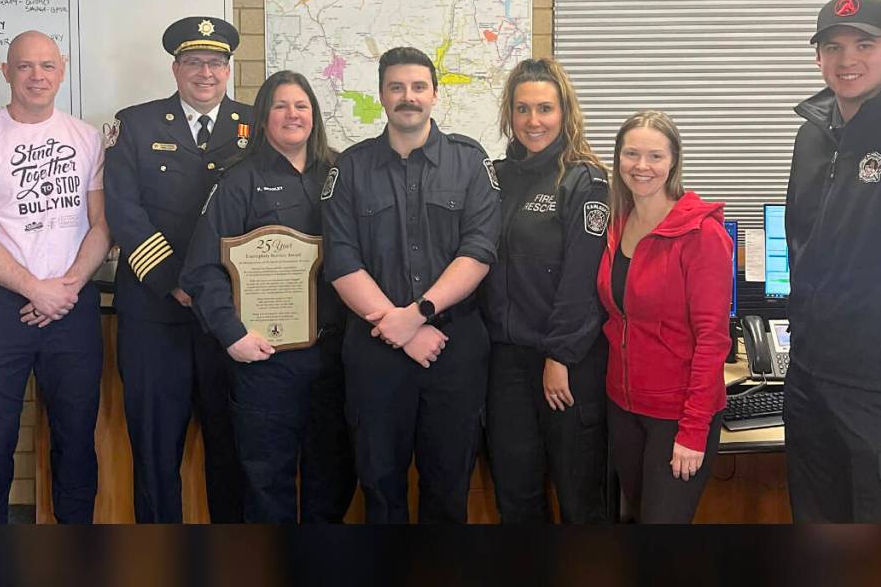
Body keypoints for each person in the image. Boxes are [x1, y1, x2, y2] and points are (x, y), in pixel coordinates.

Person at [321, 46, 501, 523]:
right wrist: (399, 328)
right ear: (381, 94)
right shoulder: (350, 167)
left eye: (419, 86)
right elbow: (341, 259)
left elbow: (479, 250)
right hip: (375, 350)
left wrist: (417, 315)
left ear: (435, 94)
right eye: (397, 87)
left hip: (454, 347)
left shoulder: (469, 161)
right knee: (379, 484)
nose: (408, 96)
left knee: (449, 483)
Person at [0, 30, 110, 523]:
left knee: (76, 441)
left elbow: (103, 224)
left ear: (62, 70)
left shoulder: (86, 139)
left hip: (72, 308)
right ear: (6, 72)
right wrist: (36, 289)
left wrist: (66, 288)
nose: (37, 76)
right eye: (25, 66)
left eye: (47, 65)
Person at [179, 70, 356, 523]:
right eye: (280, 106)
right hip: (266, 359)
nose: (292, 115)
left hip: (336, 355)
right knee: (264, 481)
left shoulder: (341, 173)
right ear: (263, 118)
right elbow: (201, 270)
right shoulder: (239, 181)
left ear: (314, 115)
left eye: (301, 105)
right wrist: (232, 334)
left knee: (333, 476)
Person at [783, 0, 881, 522]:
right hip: (808, 384)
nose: (847, 59)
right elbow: (801, 250)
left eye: (864, 44)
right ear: (818, 57)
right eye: (833, 46)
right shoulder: (811, 139)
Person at [104, 16, 251, 523]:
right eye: (193, 62)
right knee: (153, 449)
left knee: (232, 446)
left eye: (215, 62)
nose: (205, 72)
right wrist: (175, 281)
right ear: (175, 68)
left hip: (228, 316)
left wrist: (214, 290)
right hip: (154, 312)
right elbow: (123, 210)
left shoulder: (254, 127)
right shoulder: (136, 124)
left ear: (228, 69)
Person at [479, 57, 611, 523]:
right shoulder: (495, 178)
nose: (533, 121)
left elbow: (583, 280)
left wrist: (560, 356)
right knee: (515, 497)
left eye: (545, 109)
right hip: (506, 363)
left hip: (566, 364)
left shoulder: (585, 181)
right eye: (522, 109)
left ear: (564, 112)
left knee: (579, 500)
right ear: (510, 114)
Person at [595, 110, 731, 523]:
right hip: (623, 408)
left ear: (673, 162)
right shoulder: (616, 225)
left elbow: (712, 339)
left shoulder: (701, 234)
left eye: (655, 156)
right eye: (631, 154)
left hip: (677, 415)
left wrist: (694, 429)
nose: (642, 166)